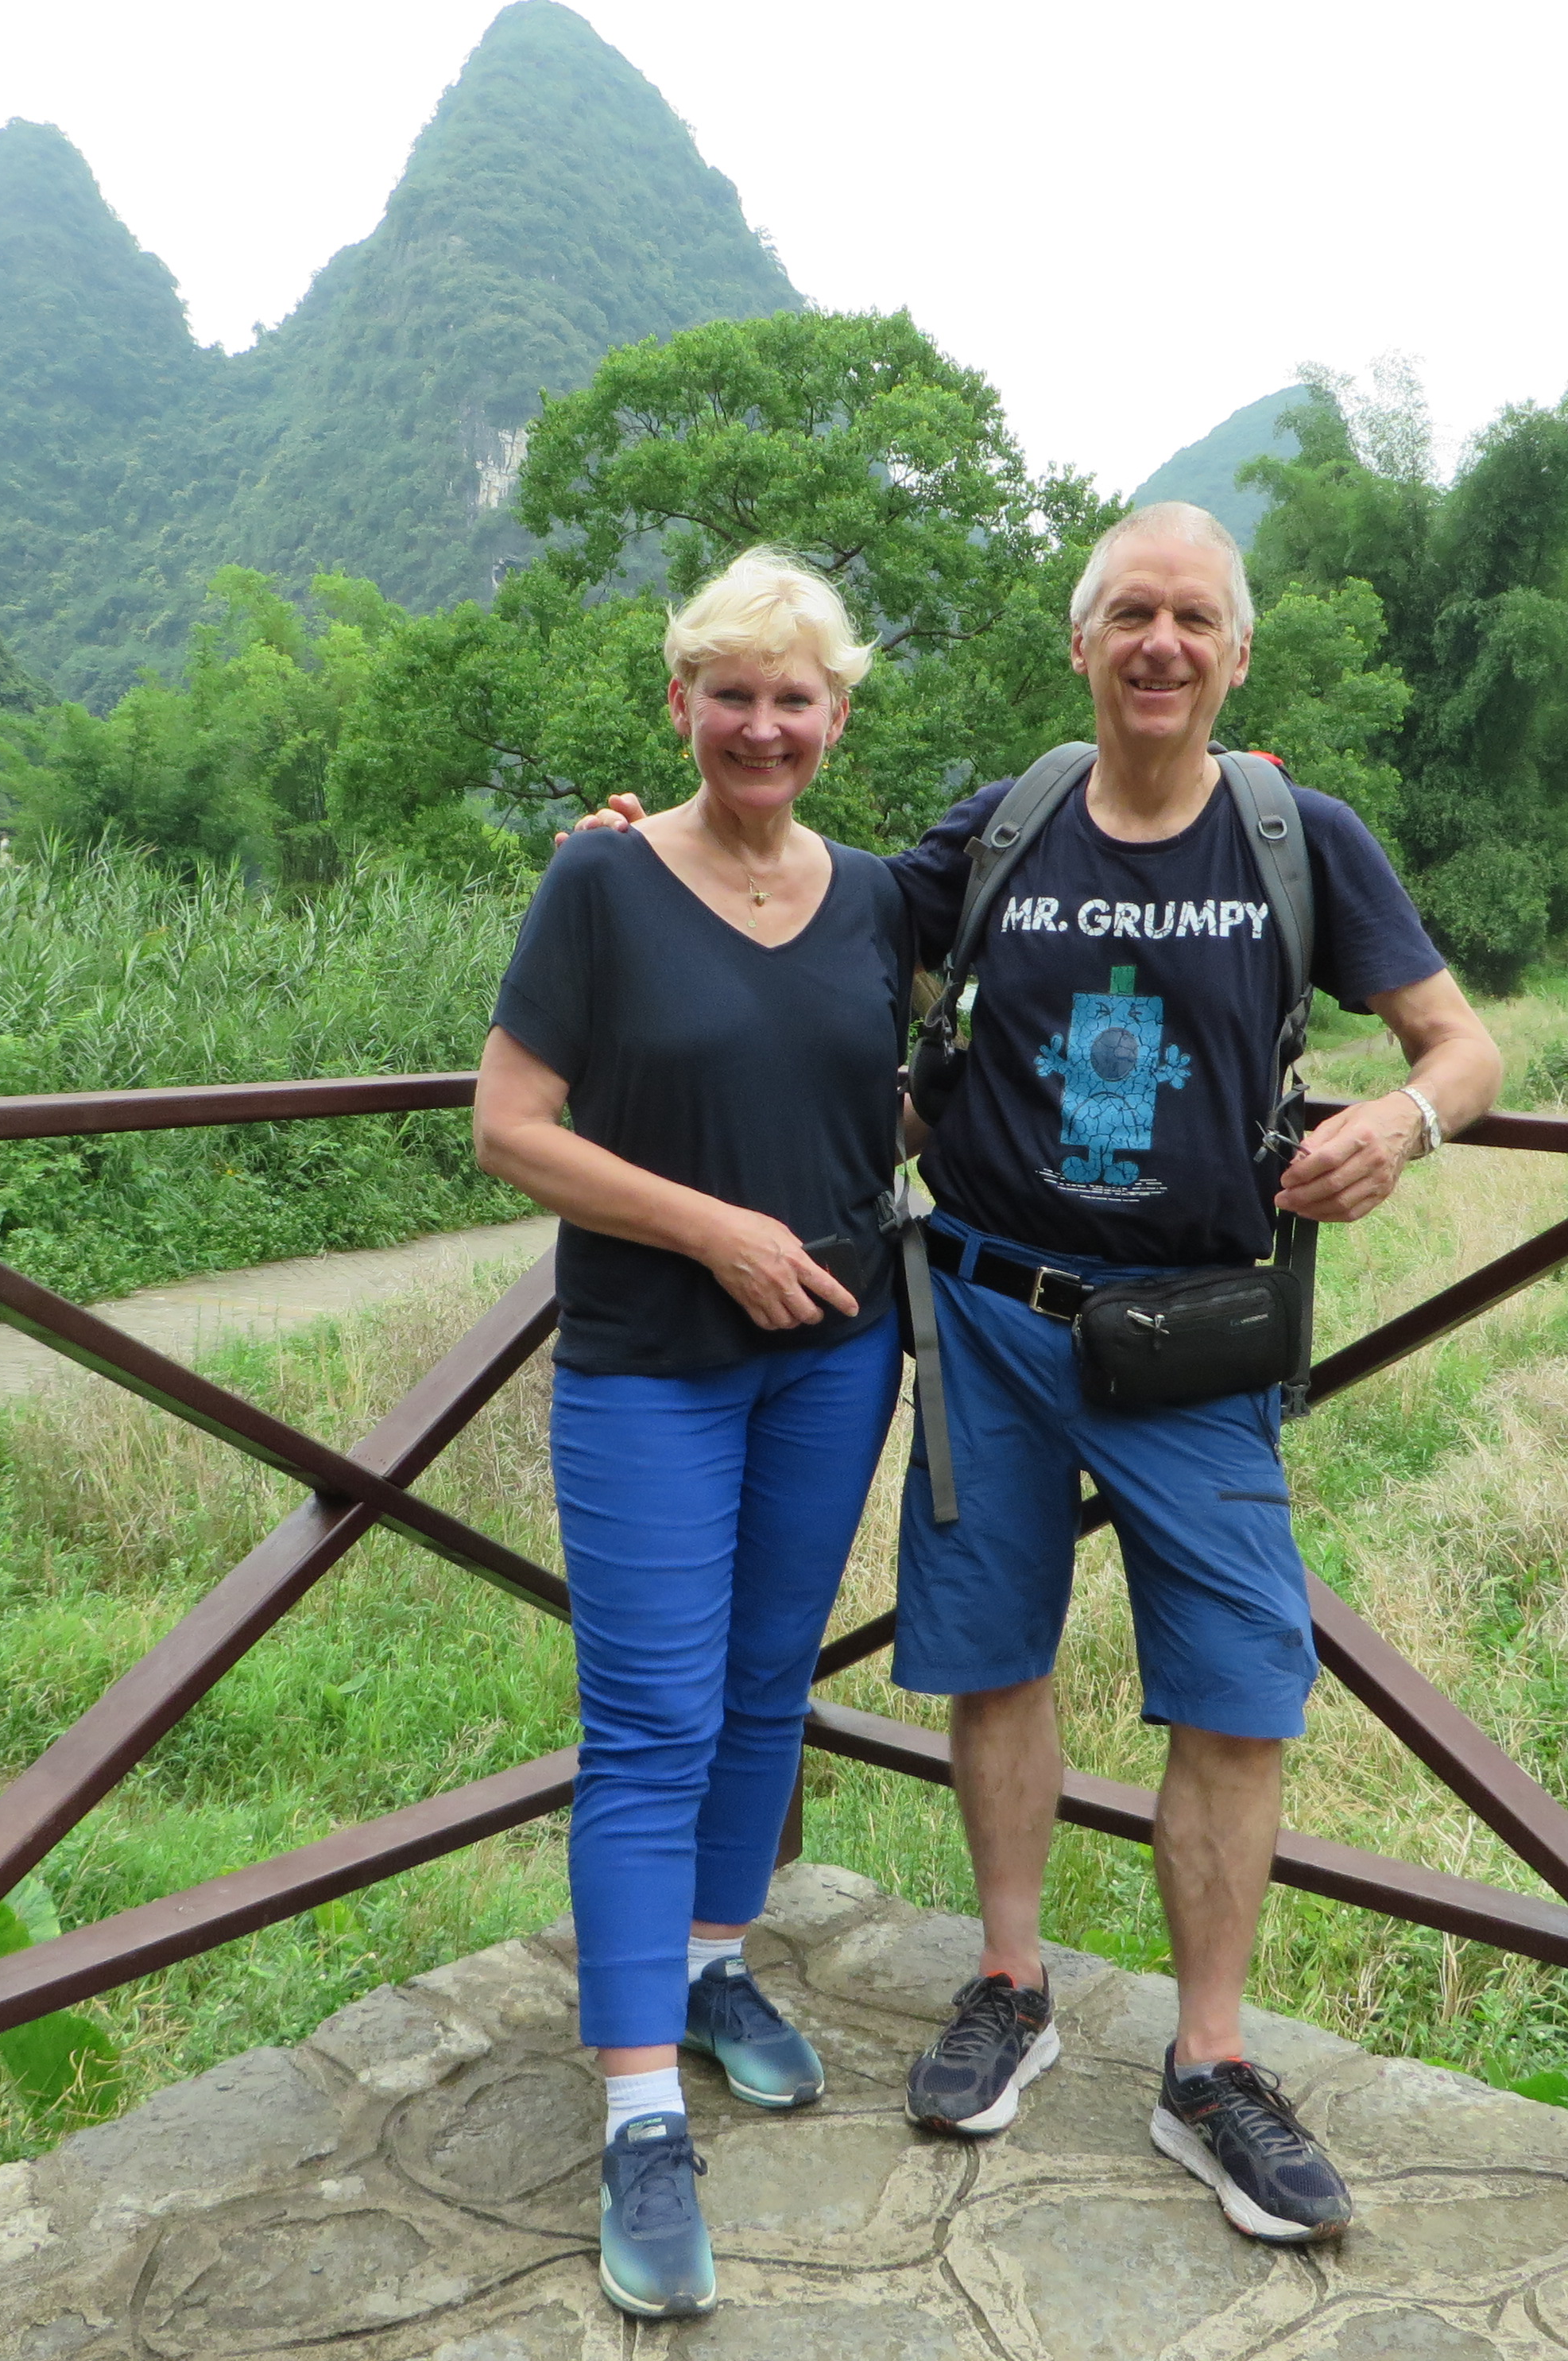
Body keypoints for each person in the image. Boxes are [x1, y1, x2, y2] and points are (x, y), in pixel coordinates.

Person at [571, 499, 1501, 2245]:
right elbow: (794, 898)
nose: (1161, 643)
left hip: (1194, 1333)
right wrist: (645, 853)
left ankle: (1209, 2063)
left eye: (1194, 618)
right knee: (991, 1660)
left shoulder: (1299, 839)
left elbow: (1461, 1044)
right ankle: (1010, 1980)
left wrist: (1402, 1119)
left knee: (1237, 1691)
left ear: (1237, 655)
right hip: (985, 1315)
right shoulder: (1001, 827)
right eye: (1130, 612)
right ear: (1081, 644)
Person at [473, 546, 910, 2320]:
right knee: (650, 1724)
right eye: (731, 693)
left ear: (835, 717)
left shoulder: (876, 897)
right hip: (651, 1360)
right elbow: (510, 1126)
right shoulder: (599, 879)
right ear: (680, 705)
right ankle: (638, 2114)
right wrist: (713, 1227)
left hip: (837, 1357)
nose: (762, 726)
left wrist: (1232, 800)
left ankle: (714, 1966)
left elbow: (1059, 891)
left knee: (762, 1687)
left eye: (794, 697)